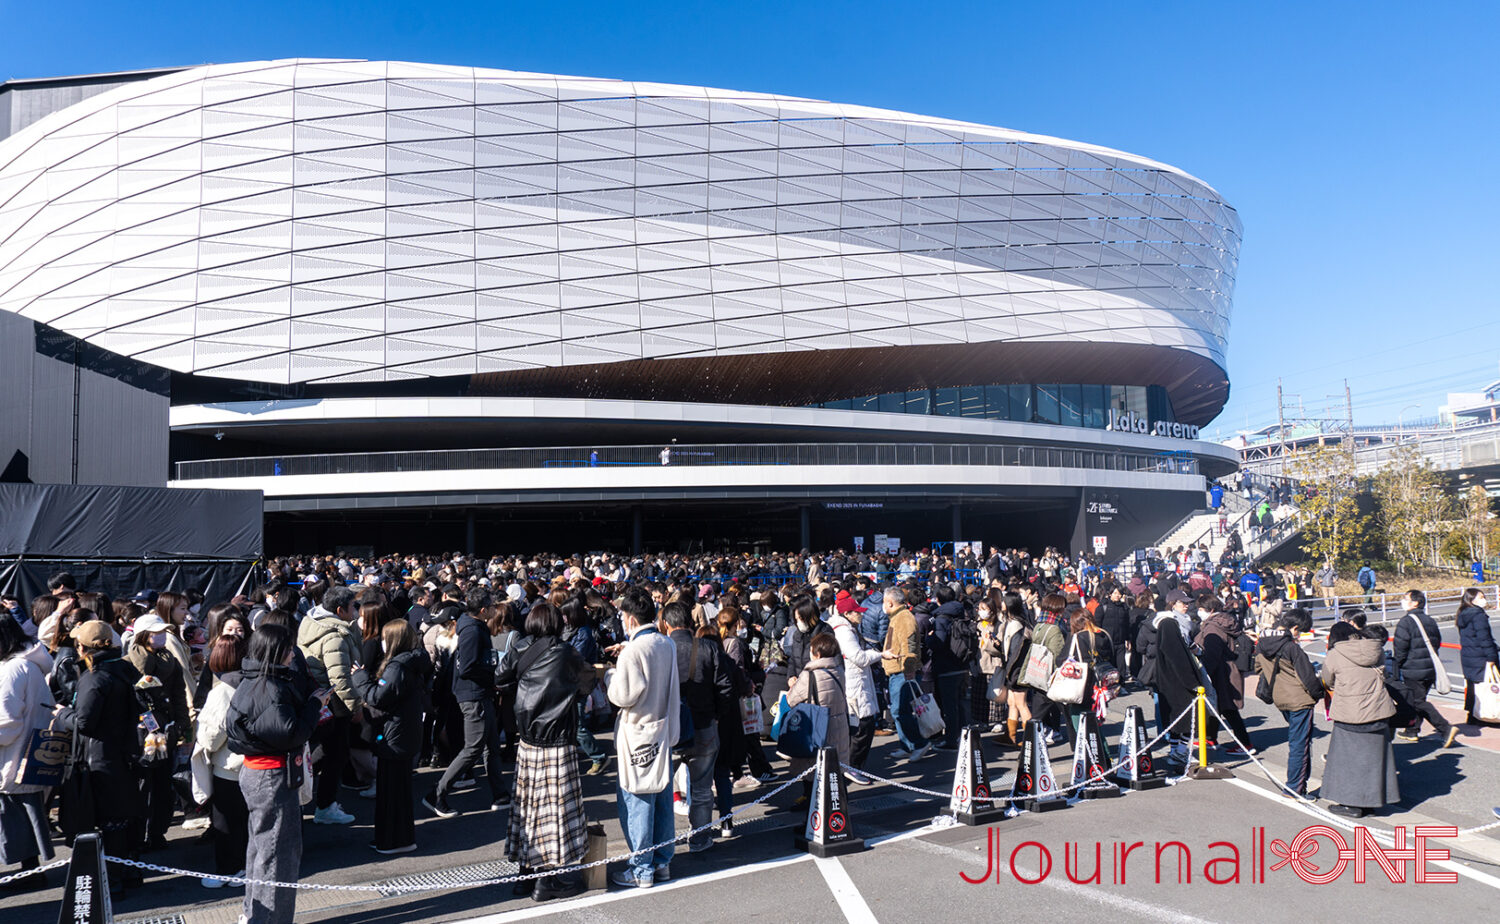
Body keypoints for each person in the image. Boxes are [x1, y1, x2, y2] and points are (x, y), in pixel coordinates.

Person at [227, 623, 328, 924]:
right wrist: (314, 705)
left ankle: (252, 913)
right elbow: (291, 734)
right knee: (278, 857)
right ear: (278, 651)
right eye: (288, 649)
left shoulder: (252, 679)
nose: (292, 654)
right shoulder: (270, 688)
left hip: (257, 773)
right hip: (272, 777)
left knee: (259, 849)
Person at [494, 598, 594, 901]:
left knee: (527, 806)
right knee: (555, 811)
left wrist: (521, 687)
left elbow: (499, 678)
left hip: (527, 740)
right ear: (556, 623)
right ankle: (548, 880)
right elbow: (587, 683)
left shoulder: (520, 648)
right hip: (557, 740)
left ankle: (525, 874)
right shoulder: (566, 653)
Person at [606, 587, 680, 890]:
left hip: (637, 732)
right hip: (663, 728)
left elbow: (625, 695)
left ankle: (641, 869)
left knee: (636, 801)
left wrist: (611, 675)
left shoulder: (632, 652)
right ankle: (662, 862)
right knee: (662, 796)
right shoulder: (667, 643)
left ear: (630, 619)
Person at [67, 620, 145, 894]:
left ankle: (112, 884)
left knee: (109, 823)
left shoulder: (95, 675)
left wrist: (62, 715)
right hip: (127, 752)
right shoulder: (124, 667)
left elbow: (85, 721)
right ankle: (130, 872)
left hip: (101, 757)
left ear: (83, 646)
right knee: (125, 819)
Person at [350, 620, 430, 856]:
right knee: (397, 790)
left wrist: (361, 678)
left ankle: (394, 840)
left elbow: (377, 697)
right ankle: (396, 837)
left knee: (392, 792)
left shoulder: (398, 666)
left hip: (394, 735)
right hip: (404, 731)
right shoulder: (413, 661)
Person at [426, 592, 509, 817]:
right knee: (472, 749)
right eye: (490, 606)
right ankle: (437, 793)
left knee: (492, 746)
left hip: (479, 693)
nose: (493, 609)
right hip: (473, 695)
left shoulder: (470, 625)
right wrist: (492, 678)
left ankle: (501, 794)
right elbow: (468, 667)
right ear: (483, 610)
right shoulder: (472, 629)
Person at [664, 599, 734, 852]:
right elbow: (725, 687)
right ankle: (700, 837)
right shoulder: (708, 648)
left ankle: (663, 843)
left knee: (661, 788)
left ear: (666, 624)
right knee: (703, 788)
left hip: (668, 729)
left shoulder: (662, 648)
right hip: (704, 724)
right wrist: (717, 715)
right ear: (691, 623)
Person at [124, 612, 191, 851]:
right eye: (157, 632)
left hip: (166, 730)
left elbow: (178, 695)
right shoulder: (127, 663)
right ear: (143, 636)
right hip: (139, 734)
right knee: (142, 784)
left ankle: (157, 832)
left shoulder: (169, 661)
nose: (162, 636)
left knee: (163, 784)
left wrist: (183, 725)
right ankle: (137, 833)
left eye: (163, 632)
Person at [297, 584, 361, 825]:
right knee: (337, 753)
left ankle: (311, 794)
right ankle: (326, 806)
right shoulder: (334, 636)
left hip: (320, 700)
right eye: (353, 606)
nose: (356, 610)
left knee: (325, 750)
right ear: (339, 609)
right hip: (334, 703)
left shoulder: (311, 621)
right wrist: (356, 707)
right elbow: (340, 678)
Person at [0, 613, 56, 889]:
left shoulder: (11, 669)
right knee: (28, 815)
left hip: (13, 754)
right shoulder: (31, 665)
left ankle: (29, 874)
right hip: (33, 751)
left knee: (16, 818)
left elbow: (7, 721)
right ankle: (31, 872)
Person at [1320, 624, 1399, 818]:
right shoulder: (1376, 650)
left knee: (1347, 761)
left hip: (1350, 713)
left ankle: (1351, 805)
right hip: (1378, 711)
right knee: (1374, 760)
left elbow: (1327, 680)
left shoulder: (1335, 653)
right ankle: (1371, 802)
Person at [193, 632, 248, 888]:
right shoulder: (254, 683)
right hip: (256, 765)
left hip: (229, 767)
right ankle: (246, 867)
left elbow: (212, 738)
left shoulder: (221, 691)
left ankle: (229, 870)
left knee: (226, 822)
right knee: (249, 821)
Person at [1255, 610, 1323, 797]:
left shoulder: (1262, 643)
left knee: (1297, 741)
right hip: (1299, 700)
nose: (1299, 636)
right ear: (1294, 628)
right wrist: (1318, 694)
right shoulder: (1291, 648)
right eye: (1300, 632)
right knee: (1300, 744)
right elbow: (1308, 677)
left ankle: (1297, 786)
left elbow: (1257, 668)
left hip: (1280, 697)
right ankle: (1295, 788)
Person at [825, 592, 882, 780]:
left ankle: (851, 766)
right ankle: (852, 767)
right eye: (857, 612)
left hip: (854, 682)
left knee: (857, 726)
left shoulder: (843, 627)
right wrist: (881, 655)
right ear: (848, 614)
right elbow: (858, 657)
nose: (861, 615)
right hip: (855, 682)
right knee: (861, 727)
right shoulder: (844, 631)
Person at [1392, 590, 1458, 747]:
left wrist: (1398, 664)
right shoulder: (1429, 620)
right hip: (1429, 667)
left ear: (1415, 602)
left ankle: (1445, 728)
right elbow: (1437, 641)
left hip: (1413, 668)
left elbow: (1400, 647)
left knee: (1417, 701)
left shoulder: (1406, 622)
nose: (1403, 601)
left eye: (1405, 598)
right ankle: (1412, 730)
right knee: (1419, 699)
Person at [881, 586, 930, 761]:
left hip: (903, 671)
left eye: (884, 602)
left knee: (900, 711)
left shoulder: (904, 618)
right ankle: (907, 745)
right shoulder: (898, 617)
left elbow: (909, 647)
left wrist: (909, 668)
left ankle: (918, 743)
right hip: (898, 670)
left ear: (890, 602)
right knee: (899, 711)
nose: (883, 605)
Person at [1455, 588, 1500, 724]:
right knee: (1487, 685)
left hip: (1469, 655)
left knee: (1473, 686)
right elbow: (1484, 638)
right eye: (1481, 597)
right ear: (1472, 600)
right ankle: (1488, 715)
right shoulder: (1478, 615)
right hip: (1481, 656)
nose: (1484, 599)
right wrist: (1491, 656)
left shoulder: (1463, 614)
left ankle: (1473, 715)